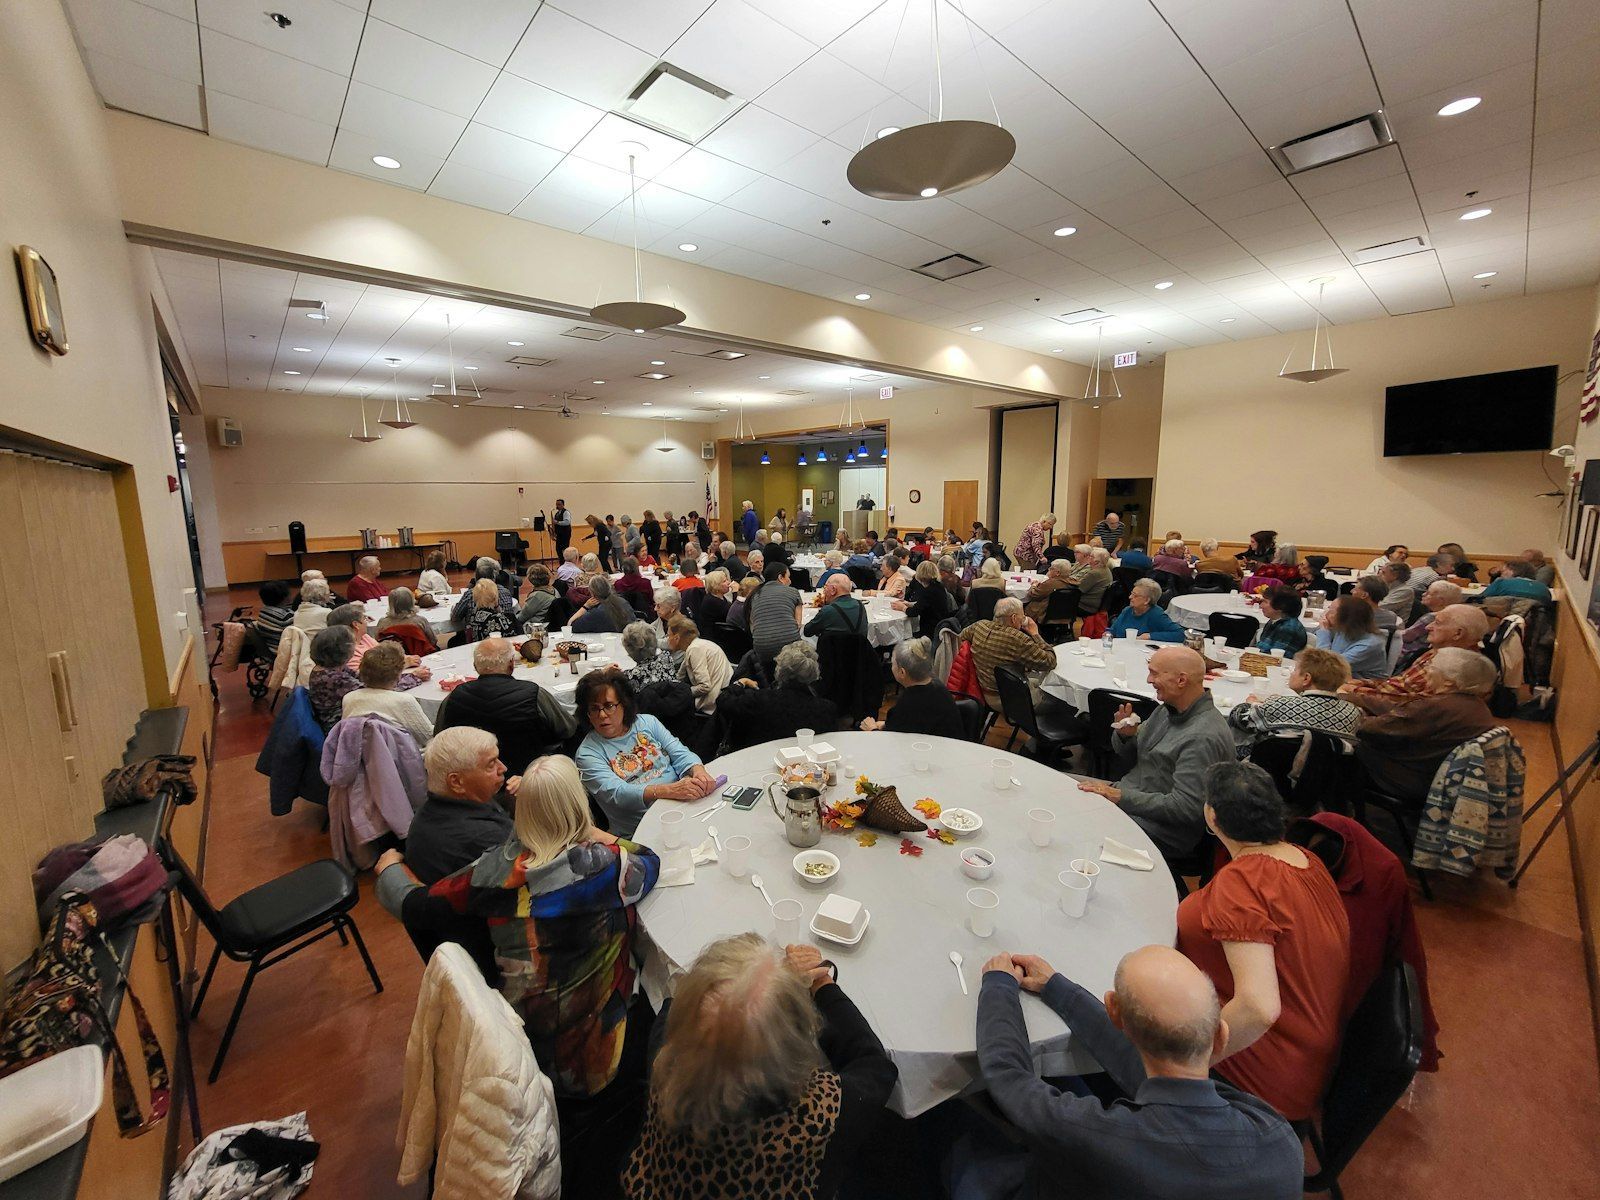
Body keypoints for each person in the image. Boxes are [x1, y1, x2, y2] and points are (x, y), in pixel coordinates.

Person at [375, 755, 659, 1098]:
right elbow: (649, 860)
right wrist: (595, 833)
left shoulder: (490, 873)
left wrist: (389, 868)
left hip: (525, 1048)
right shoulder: (605, 865)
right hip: (601, 1047)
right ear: (578, 804)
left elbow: (415, 906)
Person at [968, 944, 1302, 1200]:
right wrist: (1058, 989)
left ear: (1113, 1011)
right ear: (1221, 1036)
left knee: (946, 1126)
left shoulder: (1096, 1135)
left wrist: (998, 985)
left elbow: (1010, 1078)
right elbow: (1171, 1078)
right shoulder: (1281, 1141)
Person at [622, 933, 895, 1200]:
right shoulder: (819, 1116)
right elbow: (875, 1066)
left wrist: (773, 988)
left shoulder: (666, 1061)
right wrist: (822, 984)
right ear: (796, 1048)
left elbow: (672, 1007)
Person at [1175, 762, 1351, 1122]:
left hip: (1261, 1072)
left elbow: (1258, 1008)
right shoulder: (1306, 859)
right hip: (1310, 1057)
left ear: (1212, 816)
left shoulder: (1243, 882)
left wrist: (1185, 1066)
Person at [1078, 647, 1235, 859]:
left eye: (1155, 673)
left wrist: (1119, 796)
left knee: (1073, 826)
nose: (1148, 680)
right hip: (1129, 799)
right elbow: (1136, 757)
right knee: (1057, 789)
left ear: (1181, 681)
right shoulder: (1169, 708)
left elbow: (1186, 808)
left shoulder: (1203, 736)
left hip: (1159, 831)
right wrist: (1126, 736)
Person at [574, 669, 718, 837]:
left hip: (683, 807)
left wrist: (698, 771)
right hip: (642, 830)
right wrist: (670, 790)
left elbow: (680, 753)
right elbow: (618, 793)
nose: (602, 715)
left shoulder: (647, 723)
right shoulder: (587, 754)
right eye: (594, 709)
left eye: (609, 706)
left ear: (624, 703)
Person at [1354, 648, 1499, 800]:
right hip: (1431, 774)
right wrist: (1358, 699)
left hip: (1402, 777)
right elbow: (1402, 713)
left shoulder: (1438, 708)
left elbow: (1371, 729)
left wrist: (1347, 712)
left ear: (1449, 681)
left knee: (1335, 744)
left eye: (1431, 667)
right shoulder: (1476, 707)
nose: (1426, 671)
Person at [433, 637, 576, 775]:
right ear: (511, 664)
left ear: (475, 666)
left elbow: (440, 740)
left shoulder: (454, 697)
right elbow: (568, 729)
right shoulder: (534, 694)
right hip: (531, 776)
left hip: (473, 780)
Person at [404, 727, 516, 885]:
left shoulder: (429, 812)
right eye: (491, 764)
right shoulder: (486, 838)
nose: (503, 768)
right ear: (456, 782)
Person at [1343, 603, 1489, 708]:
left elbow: (1413, 704)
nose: (1428, 627)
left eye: (1437, 623)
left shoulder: (1458, 667)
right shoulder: (1436, 652)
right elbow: (1397, 684)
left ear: (1458, 633)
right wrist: (1358, 684)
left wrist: (1352, 690)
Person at [1227, 647, 1361, 753]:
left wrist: (1251, 704)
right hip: (1326, 780)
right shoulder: (1353, 713)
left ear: (1306, 679)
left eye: (1295, 670)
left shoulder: (1281, 705)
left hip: (1271, 771)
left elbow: (1238, 718)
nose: (1291, 674)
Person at [720, 641, 839, 749]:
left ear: (779, 670)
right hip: (806, 767)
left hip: (759, 762)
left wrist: (740, 683)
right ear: (814, 673)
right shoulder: (826, 709)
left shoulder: (759, 701)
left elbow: (722, 701)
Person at [959, 597, 1057, 712]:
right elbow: (1050, 662)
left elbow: (960, 638)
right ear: (1014, 618)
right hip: (1010, 698)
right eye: (1023, 616)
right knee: (1057, 695)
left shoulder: (979, 626)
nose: (1024, 619)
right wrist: (1035, 633)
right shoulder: (1018, 639)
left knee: (1041, 682)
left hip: (984, 691)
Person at [861, 638, 965, 740]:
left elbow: (892, 745)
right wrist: (886, 724)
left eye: (893, 664)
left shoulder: (907, 705)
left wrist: (872, 730)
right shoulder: (939, 688)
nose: (892, 667)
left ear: (902, 672)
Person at [341, 641, 434, 748]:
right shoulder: (403, 701)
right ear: (399, 673)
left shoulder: (349, 698)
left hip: (361, 758)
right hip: (403, 758)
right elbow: (428, 737)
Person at [667, 615, 732, 714]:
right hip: (723, 697)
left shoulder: (695, 649)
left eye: (668, 635)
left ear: (677, 638)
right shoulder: (698, 645)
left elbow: (705, 686)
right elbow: (679, 676)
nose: (667, 639)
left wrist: (682, 692)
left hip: (713, 704)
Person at [1313, 595, 1387, 679]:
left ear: (1346, 618)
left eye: (1331, 611)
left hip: (1365, 686)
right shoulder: (1342, 630)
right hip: (1341, 678)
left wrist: (1324, 631)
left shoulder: (1370, 644)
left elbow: (1327, 666)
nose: (1326, 614)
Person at [748, 561, 804, 665]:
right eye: (788, 577)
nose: (790, 581)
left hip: (761, 648)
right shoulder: (793, 592)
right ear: (780, 577)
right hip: (789, 647)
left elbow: (753, 625)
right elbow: (798, 624)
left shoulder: (755, 595)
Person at [307, 625, 361, 732]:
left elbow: (358, 676)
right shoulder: (334, 678)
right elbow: (372, 690)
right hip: (339, 728)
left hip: (338, 718)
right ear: (342, 650)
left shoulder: (326, 668)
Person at [1397, 579, 1464, 664]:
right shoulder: (1453, 615)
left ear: (1440, 601)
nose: (1423, 594)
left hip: (1409, 654)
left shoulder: (1432, 618)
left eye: (1428, 593)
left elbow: (1407, 636)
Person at [1110, 578, 1186, 642]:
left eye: (1135, 595)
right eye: (1131, 593)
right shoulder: (1127, 610)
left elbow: (1180, 634)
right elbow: (1112, 631)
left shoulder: (1156, 614)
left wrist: (1150, 636)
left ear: (1147, 600)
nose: (1130, 597)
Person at [897, 558, 956, 640]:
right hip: (939, 624)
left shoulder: (928, 591)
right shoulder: (938, 586)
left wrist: (902, 607)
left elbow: (914, 612)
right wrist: (908, 603)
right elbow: (925, 604)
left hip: (930, 630)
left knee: (904, 637)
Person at [804, 573, 869, 638]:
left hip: (832, 648)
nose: (824, 592)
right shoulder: (861, 606)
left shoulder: (828, 610)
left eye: (825, 587)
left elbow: (807, 632)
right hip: (859, 647)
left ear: (833, 590)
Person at [375, 586, 439, 651]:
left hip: (392, 657)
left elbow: (377, 642)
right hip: (420, 655)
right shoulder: (420, 621)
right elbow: (433, 640)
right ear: (412, 602)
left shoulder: (382, 623)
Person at [1253, 587, 1308, 657]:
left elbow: (1276, 658)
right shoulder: (1274, 620)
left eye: (1265, 602)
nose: (1261, 606)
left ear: (1280, 607)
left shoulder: (1288, 628)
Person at [1481, 559, 1553, 603]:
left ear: (1511, 572)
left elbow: (1480, 599)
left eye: (1503, 571)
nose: (1501, 574)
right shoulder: (1544, 589)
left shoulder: (1500, 583)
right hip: (1535, 625)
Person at [253, 580, 294, 657]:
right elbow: (296, 635)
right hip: (284, 653)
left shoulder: (264, 610)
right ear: (285, 597)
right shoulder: (286, 616)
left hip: (271, 648)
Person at [516, 563, 558, 630]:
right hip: (552, 624)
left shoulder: (536, 596)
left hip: (538, 628)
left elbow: (521, 618)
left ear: (531, 579)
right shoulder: (554, 590)